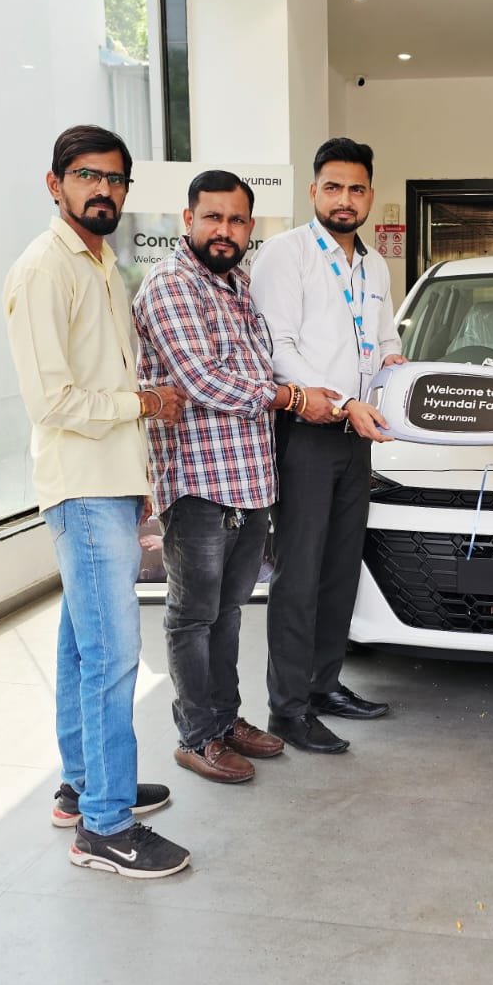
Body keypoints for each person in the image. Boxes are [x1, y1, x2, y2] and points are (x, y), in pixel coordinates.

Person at [3, 124, 191, 879]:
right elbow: (51, 401)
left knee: (83, 648)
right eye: (87, 175)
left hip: (107, 483)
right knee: (113, 654)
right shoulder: (45, 269)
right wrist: (144, 404)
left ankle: (83, 788)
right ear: (56, 184)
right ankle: (106, 827)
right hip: (81, 486)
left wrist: (138, 478)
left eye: (115, 179)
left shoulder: (102, 264)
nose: (103, 189)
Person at [133, 169, 342, 784]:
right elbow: (203, 380)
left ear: (250, 227)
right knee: (193, 616)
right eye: (213, 217)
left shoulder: (239, 284)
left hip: (250, 479)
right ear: (188, 220)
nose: (224, 230)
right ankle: (197, 736)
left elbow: (257, 365)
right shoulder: (172, 285)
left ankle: (225, 721)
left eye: (236, 220)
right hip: (199, 481)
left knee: (227, 614)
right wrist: (292, 398)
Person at [249, 137, 404, 754]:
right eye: (333, 187)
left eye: (356, 189)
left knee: (341, 568)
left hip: (356, 436)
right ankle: (287, 709)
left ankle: (323, 685)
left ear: (369, 195)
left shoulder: (375, 266)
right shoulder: (285, 254)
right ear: (313, 190)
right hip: (306, 434)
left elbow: (384, 339)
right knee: (299, 574)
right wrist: (342, 401)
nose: (345, 199)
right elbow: (278, 347)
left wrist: (396, 368)